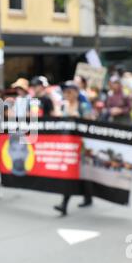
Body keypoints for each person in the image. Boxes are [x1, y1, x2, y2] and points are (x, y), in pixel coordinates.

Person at [54, 81, 92, 216]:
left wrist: (79, 119)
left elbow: (91, 124)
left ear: (76, 92)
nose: (67, 94)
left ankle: (86, 197)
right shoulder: (64, 107)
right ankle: (65, 204)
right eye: (65, 92)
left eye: (69, 91)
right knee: (70, 173)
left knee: (82, 172)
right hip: (68, 145)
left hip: (82, 145)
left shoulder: (83, 106)